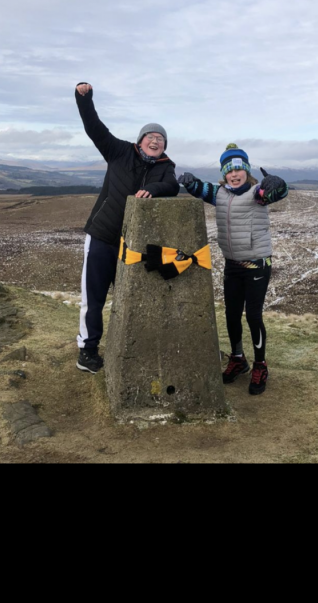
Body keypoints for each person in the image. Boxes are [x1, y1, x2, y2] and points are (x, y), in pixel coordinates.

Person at [74, 82, 180, 373]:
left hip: (132, 246)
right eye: (151, 136)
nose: (155, 141)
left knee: (132, 299)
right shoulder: (119, 151)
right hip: (102, 236)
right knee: (93, 298)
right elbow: (94, 128)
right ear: (140, 140)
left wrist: (154, 189)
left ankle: (129, 349)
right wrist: (84, 99)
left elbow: (172, 186)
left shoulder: (165, 166)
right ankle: (87, 351)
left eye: (160, 139)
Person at [178, 144, 288, 395]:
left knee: (253, 316)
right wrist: (190, 181)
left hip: (257, 264)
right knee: (231, 314)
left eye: (238, 169)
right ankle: (238, 359)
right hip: (232, 265)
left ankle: (260, 365)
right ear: (224, 173)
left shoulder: (257, 193)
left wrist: (278, 184)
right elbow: (200, 189)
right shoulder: (219, 193)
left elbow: (276, 193)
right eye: (229, 170)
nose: (234, 174)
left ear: (246, 171)